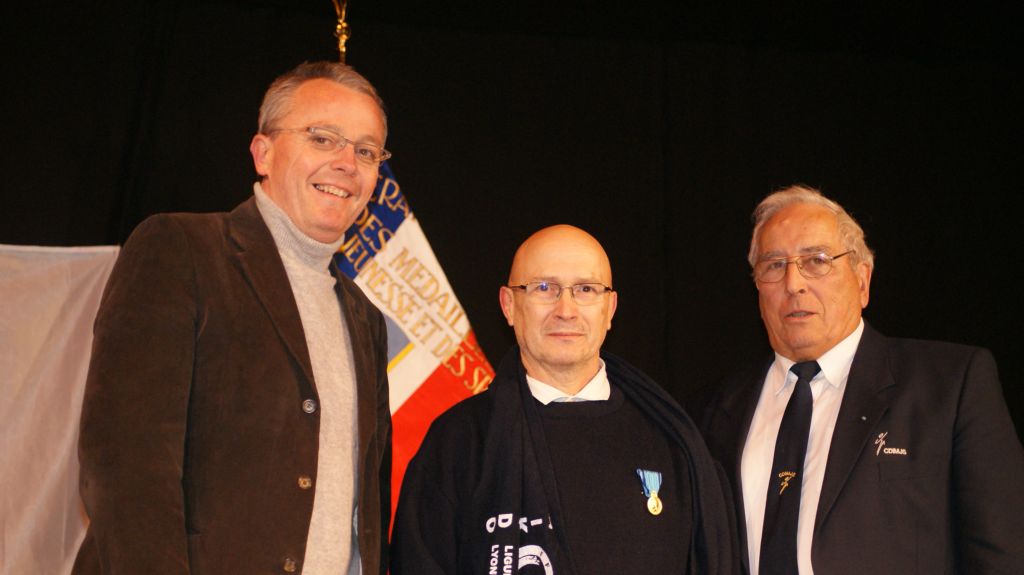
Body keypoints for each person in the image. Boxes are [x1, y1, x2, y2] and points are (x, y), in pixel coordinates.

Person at [73, 61, 393, 574]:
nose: (346, 163)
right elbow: (125, 469)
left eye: (366, 150)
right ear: (263, 153)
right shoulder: (180, 250)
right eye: (322, 138)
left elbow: (368, 509)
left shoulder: (364, 318)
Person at [700, 185, 1024, 574]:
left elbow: (1002, 554)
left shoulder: (949, 385)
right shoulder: (717, 409)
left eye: (816, 260)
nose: (793, 283)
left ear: (862, 280)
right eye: (773, 265)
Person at [390, 224, 738, 574]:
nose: (566, 310)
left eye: (586, 289)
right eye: (544, 288)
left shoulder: (675, 442)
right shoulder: (458, 442)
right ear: (509, 305)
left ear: (610, 308)